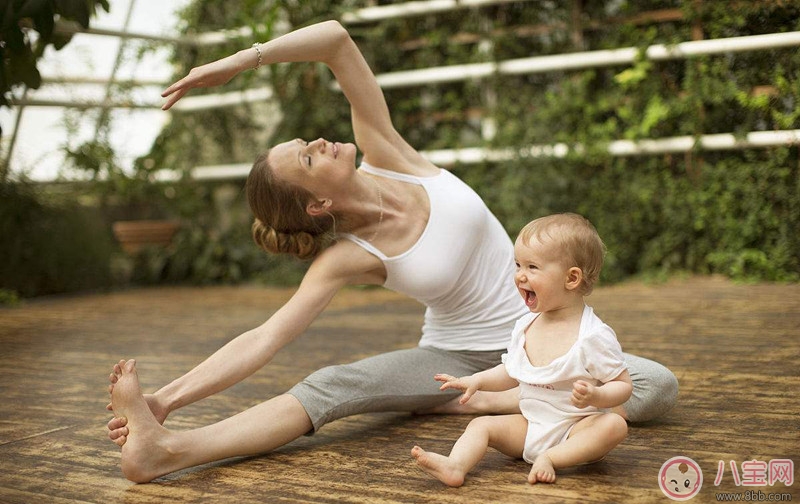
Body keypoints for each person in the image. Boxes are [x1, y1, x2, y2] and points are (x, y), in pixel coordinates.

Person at [105, 20, 678, 484]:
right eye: (307, 157)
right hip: (451, 361)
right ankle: (168, 452)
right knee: (336, 383)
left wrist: (241, 60)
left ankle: (502, 405)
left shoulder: (387, 151)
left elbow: (335, 40)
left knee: (656, 386)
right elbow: (266, 337)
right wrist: (165, 399)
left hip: (542, 345)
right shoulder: (348, 255)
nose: (318, 142)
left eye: (304, 143)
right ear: (317, 205)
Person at [412, 213, 631, 487]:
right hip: (529, 426)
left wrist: (597, 395)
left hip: (576, 430)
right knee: (481, 426)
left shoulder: (593, 335)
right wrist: (476, 380)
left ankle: (552, 458)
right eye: (517, 265)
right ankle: (456, 465)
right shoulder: (526, 325)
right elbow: (510, 371)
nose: (519, 276)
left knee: (613, 426)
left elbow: (623, 386)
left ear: (571, 278)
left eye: (532, 267)